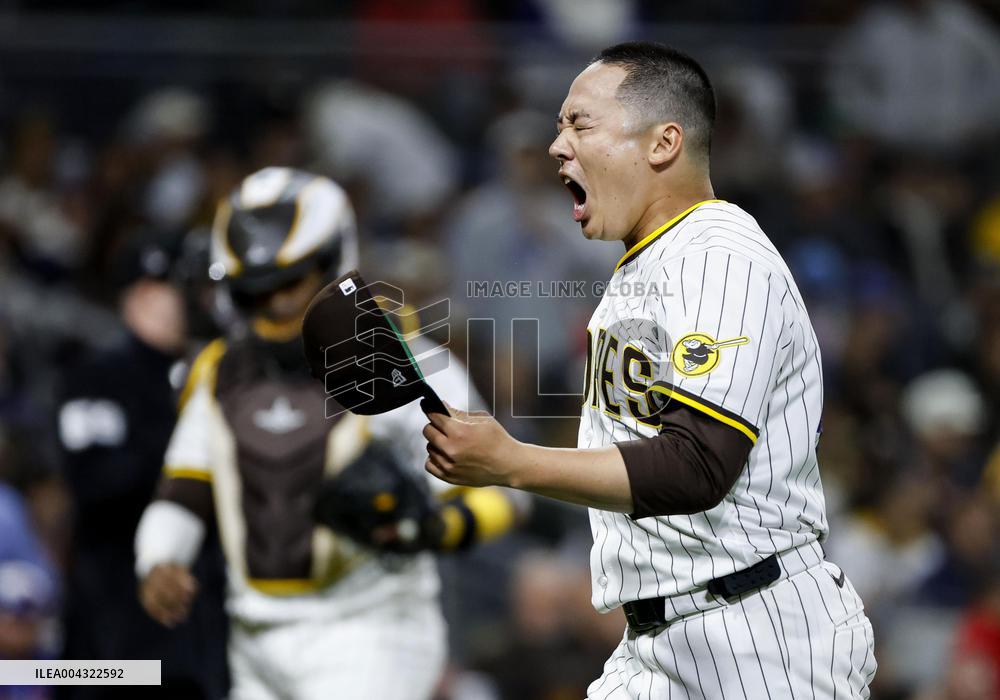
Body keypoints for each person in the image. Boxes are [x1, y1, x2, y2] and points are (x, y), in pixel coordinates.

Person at [423, 42, 877, 698]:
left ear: (662, 144)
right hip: (663, 642)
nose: (557, 145)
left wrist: (510, 462)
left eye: (580, 124)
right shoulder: (648, 264)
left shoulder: (718, 257)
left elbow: (698, 465)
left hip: (758, 641)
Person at [134, 167, 520, 700]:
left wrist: (433, 527)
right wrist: (158, 559)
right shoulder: (219, 369)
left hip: (372, 629)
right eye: (258, 290)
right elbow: (184, 488)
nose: (276, 303)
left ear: (330, 261)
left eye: (290, 282)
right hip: (251, 635)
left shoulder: (408, 360)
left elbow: (501, 491)